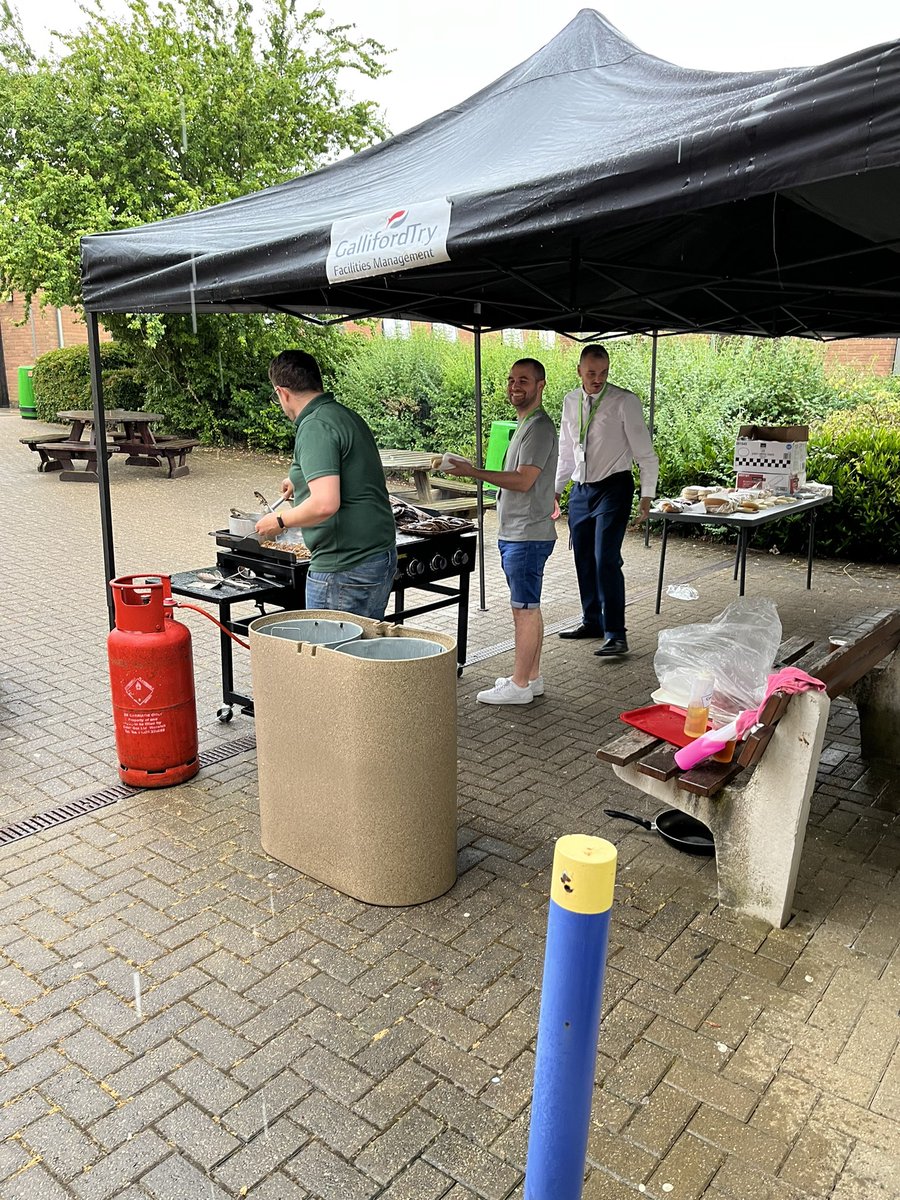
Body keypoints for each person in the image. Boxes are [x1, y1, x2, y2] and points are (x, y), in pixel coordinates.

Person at [444, 358, 558, 705]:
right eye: (511, 380)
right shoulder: (526, 424)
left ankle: (519, 685)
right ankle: (531, 677)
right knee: (529, 607)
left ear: (540, 385)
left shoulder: (538, 427)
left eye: (523, 380)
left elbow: (524, 480)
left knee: (522, 610)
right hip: (523, 532)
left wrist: (472, 471)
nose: (515, 386)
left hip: (526, 534)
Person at [255, 350, 397, 620]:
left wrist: (280, 520)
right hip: (373, 556)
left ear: (282, 392)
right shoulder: (343, 416)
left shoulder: (315, 425)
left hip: (344, 567)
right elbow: (347, 471)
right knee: (360, 655)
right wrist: (299, 481)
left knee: (333, 659)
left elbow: (325, 503)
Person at [555, 344, 658, 657]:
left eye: (603, 373)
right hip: (581, 490)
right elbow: (565, 450)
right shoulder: (570, 401)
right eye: (591, 373)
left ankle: (616, 633)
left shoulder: (624, 401)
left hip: (614, 488)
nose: (598, 379)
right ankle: (592, 621)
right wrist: (556, 490)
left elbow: (645, 453)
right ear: (579, 372)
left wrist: (647, 495)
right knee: (583, 557)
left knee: (606, 558)